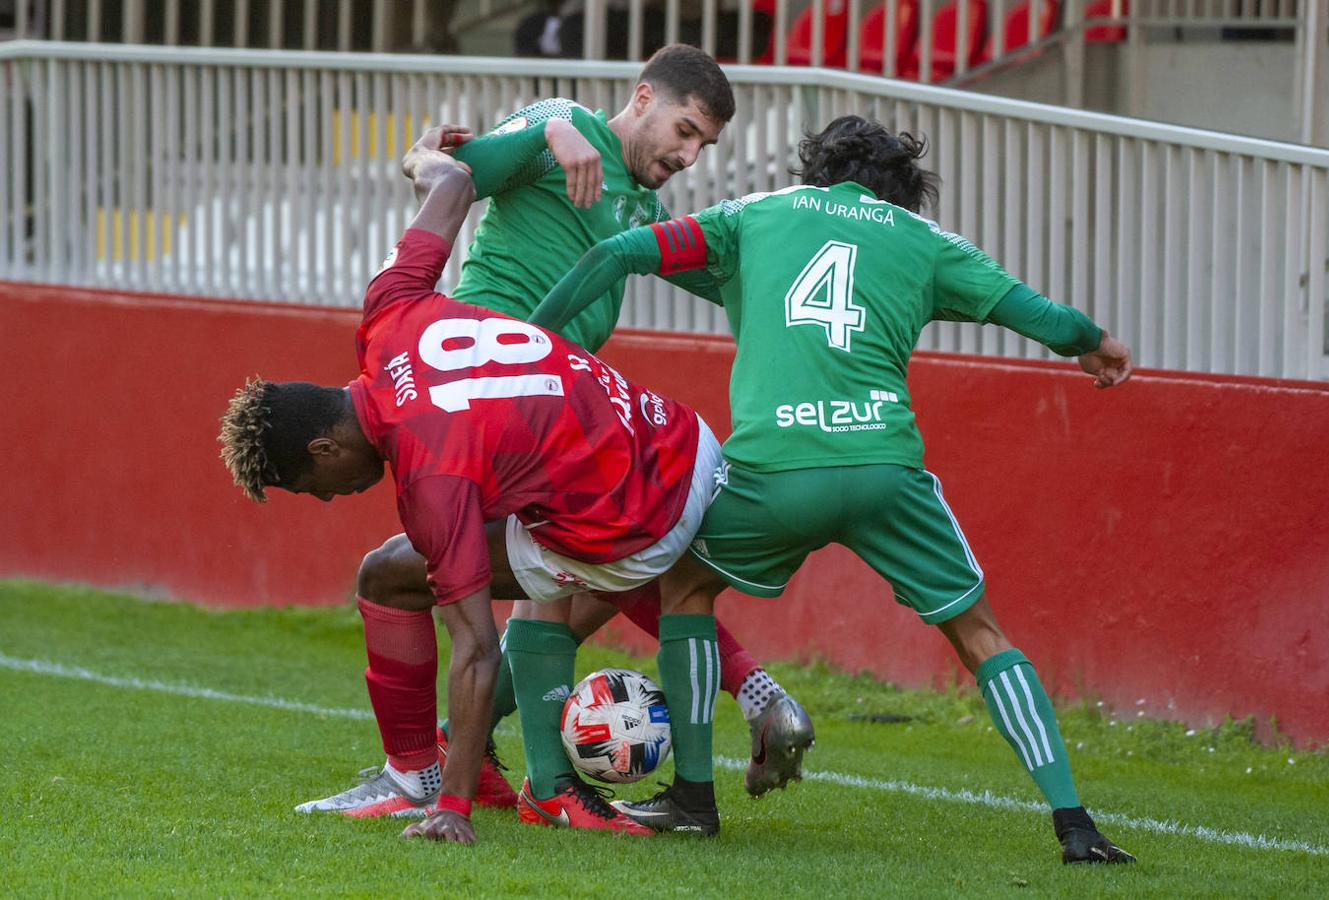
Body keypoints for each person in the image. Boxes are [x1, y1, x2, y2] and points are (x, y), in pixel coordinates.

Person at [529, 115, 1138, 862]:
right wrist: (1095, 345)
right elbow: (1043, 317)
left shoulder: (754, 215)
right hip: (885, 473)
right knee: (980, 635)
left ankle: (691, 799)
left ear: (819, 170)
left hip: (774, 474)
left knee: (682, 587)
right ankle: (1074, 824)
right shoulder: (926, 242)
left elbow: (620, 251)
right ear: (901, 194)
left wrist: (534, 341)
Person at [291, 44, 814, 822]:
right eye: (685, 129)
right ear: (641, 98)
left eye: (703, 144)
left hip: (538, 429)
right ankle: (486, 777)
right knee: (573, 568)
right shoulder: (559, 125)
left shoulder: (638, 206)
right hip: (476, 409)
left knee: (579, 569)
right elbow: (444, 168)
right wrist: (547, 129)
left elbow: (715, 267)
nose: (689, 154)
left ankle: (483, 776)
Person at [220, 124, 740, 842]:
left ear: (324, 447)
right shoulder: (386, 310)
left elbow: (474, 649)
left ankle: (426, 783)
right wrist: (422, 152)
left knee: (389, 575)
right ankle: (524, 779)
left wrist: (452, 811)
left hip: (640, 521)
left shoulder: (429, 477)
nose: (331, 496)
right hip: (685, 440)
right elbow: (453, 184)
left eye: (314, 485)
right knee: (501, 518)